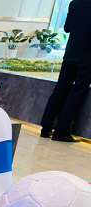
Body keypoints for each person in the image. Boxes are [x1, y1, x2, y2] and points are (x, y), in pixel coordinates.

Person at [40, 0, 91, 143]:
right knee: (77, 92)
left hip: (70, 53)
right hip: (87, 57)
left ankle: (46, 127)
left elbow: (67, 28)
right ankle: (61, 131)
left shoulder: (75, 3)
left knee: (60, 89)